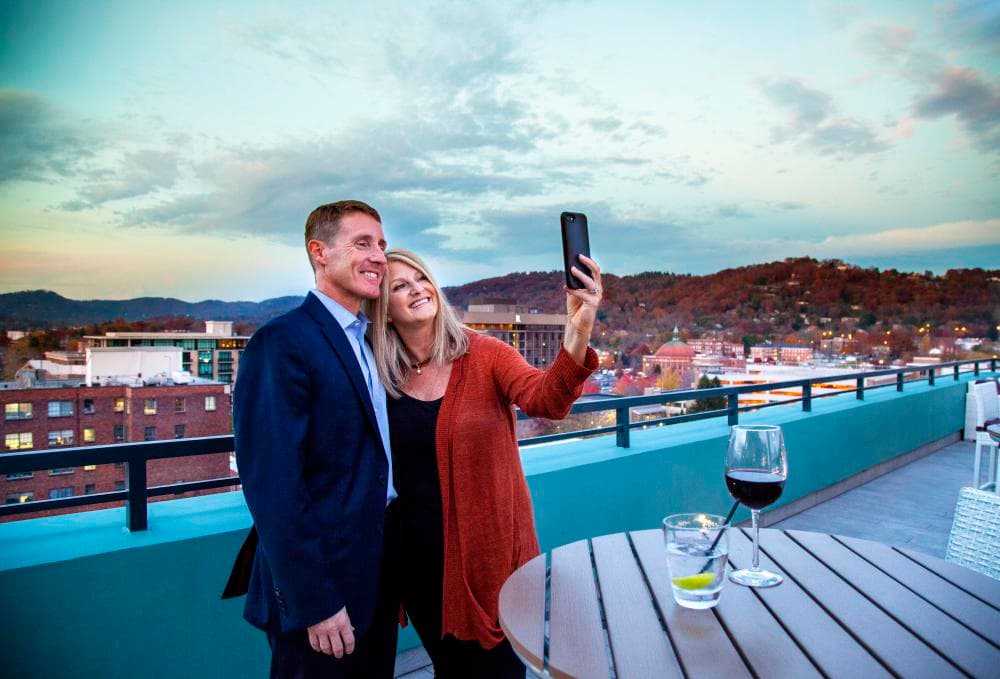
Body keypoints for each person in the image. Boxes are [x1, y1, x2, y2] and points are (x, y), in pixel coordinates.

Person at [368, 248, 601, 678]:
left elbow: (546, 398)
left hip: (489, 559)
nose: (418, 288)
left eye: (421, 277)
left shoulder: (485, 354)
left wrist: (579, 328)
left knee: (497, 670)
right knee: (450, 668)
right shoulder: (379, 371)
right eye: (400, 286)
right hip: (417, 562)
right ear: (382, 310)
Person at [223, 200, 398, 678]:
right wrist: (315, 602)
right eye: (363, 243)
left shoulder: (366, 340)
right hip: (322, 591)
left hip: (375, 574)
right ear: (319, 252)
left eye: (382, 245)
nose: (379, 257)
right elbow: (273, 485)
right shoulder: (282, 342)